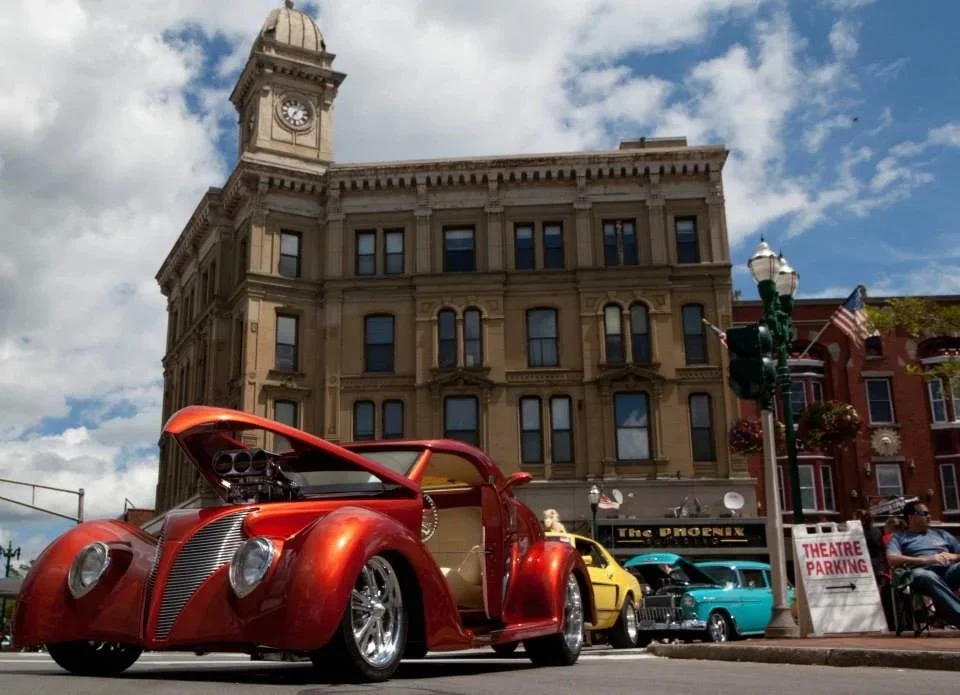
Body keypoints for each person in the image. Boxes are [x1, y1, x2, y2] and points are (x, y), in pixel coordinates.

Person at [886, 501, 960, 628]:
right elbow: (892, 558)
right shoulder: (899, 537)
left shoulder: (941, 534)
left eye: (929, 513)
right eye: (924, 513)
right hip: (920, 575)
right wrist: (926, 560)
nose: (929, 516)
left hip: (947, 572)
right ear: (910, 517)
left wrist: (953, 556)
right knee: (926, 575)